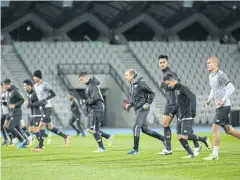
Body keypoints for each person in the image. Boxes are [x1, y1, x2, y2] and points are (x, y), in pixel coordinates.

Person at [158, 55, 202, 156]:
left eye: (164, 62)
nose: (162, 64)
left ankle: (196, 145)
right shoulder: (164, 74)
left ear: (167, 63)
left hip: (176, 103)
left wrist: (164, 86)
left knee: (184, 129)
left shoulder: (171, 73)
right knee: (165, 124)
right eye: (160, 62)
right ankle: (168, 149)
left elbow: (177, 85)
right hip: (169, 103)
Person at [163, 73, 211, 158]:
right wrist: (173, 112)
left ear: (172, 80)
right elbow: (179, 104)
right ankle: (191, 154)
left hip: (187, 114)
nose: (168, 85)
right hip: (180, 116)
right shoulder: (175, 89)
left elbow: (193, 97)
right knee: (179, 136)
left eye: (168, 83)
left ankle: (204, 139)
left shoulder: (182, 87)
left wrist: (193, 111)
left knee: (185, 136)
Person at [203, 57, 240, 160]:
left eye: (209, 63)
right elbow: (213, 89)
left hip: (224, 106)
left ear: (215, 64)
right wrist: (209, 100)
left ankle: (215, 155)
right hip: (220, 107)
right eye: (207, 63)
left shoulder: (221, 75)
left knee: (215, 129)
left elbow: (231, 87)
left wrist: (223, 99)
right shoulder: (211, 76)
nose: (208, 65)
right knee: (229, 130)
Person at [124, 69, 166, 155]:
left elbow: (152, 92)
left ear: (132, 76)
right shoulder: (131, 85)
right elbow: (134, 98)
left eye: (127, 75)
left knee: (136, 127)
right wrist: (130, 104)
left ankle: (135, 150)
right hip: (137, 109)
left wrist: (147, 103)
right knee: (146, 130)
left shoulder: (140, 83)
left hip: (143, 109)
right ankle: (163, 139)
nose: (125, 77)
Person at [31, 70, 71, 152]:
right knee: (50, 127)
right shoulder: (35, 85)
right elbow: (38, 96)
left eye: (34, 76)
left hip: (47, 108)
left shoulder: (45, 85)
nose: (33, 77)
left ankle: (40, 146)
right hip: (42, 108)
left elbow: (53, 94)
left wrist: (45, 99)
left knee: (41, 125)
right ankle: (66, 136)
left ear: (38, 76)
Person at [79, 72, 114, 152]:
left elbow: (94, 99)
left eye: (81, 79)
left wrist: (85, 102)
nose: (81, 82)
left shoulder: (92, 85)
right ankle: (108, 137)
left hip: (96, 109)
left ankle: (102, 148)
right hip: (95, 109)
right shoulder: (89, 86)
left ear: (85, 77)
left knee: (91, 130)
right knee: (95, 130)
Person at [2, 79, 28, 148]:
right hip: (11, 113)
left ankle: (22, 140)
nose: (4, 87)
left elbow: (22, 100)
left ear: (9, 84)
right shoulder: (7, 92)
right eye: (4, 86)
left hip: (17, 112)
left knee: (10, 127)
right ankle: (26, 142)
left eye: (5, 85)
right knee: (17, 127)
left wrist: (15, 105)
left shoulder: (14, 91)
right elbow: (9, 103)